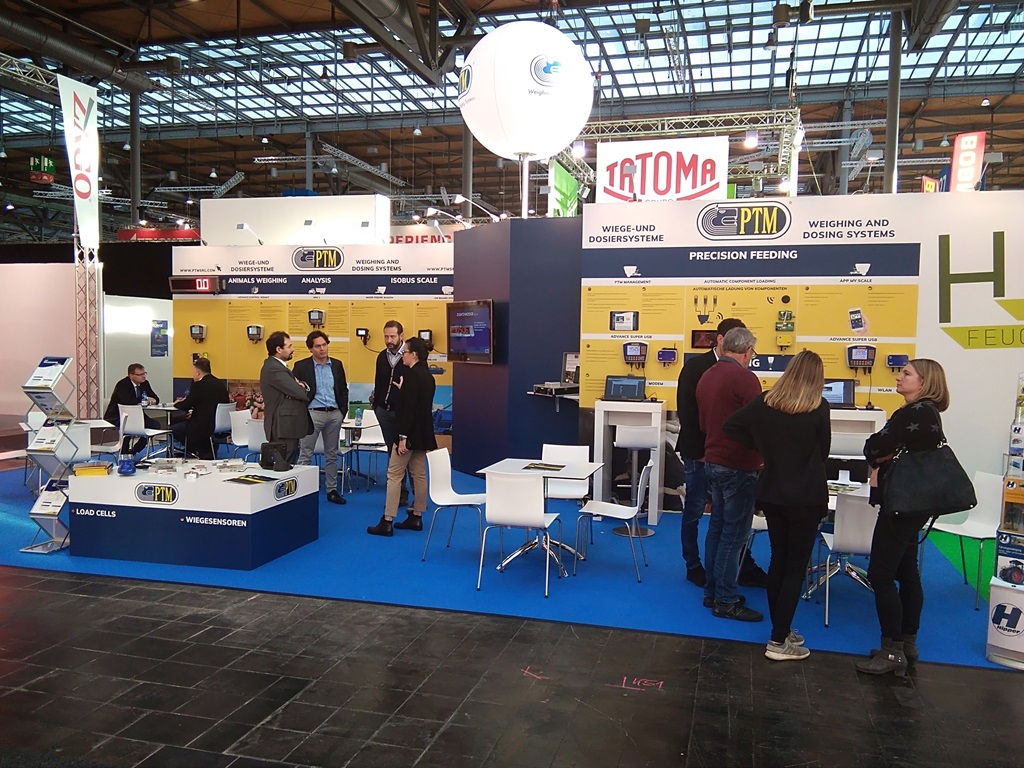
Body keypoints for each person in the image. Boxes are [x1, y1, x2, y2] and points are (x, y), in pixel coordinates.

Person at [724, 350, 830, 661]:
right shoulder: (819, 407)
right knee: (795, 568)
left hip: (773, 493)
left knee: (779, 563)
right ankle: (778, 639)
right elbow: (823, 452)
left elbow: (731, 426)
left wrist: (764, 447)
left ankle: (780, 629)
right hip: (806, 496)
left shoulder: (766, 402)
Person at [855, 358, 951, 676]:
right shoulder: (929, 413)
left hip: (901, 504)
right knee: (907, 571)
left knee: (881, 574)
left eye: (907, 373)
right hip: (916, 504)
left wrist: (878, 453)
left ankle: (892, 651)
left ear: (924, 382)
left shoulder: (913, 413)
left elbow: (874, 447)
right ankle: (907, 645)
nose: (899, 377)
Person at [676, 318, 767, 589]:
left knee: (725, 520)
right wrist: (703, 452)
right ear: (720, 339)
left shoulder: (728, 372)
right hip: (701, 454)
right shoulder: (697, 368)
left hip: (723, 456)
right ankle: (694, 565)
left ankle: (738, 567)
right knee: (697, 512)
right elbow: (688, 415)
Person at [696, 326, 764, 622]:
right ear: (747, 351)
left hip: (713, 459)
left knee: (717, 528)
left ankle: (712, 591)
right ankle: (725, 599)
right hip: (739, 464)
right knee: (734, 535)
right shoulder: (746, 379)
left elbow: (703, 423)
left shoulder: (707, 375)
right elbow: (758, 424)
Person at [367, 336, 437, 537]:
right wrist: (402, 391)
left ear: (413, 354)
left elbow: (408, 410)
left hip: (409, 434)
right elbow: (420, 405)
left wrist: (402, 437)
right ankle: (417, 516)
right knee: (419, 474)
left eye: (405, 352)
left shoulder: (411, 376)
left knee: (394, 474)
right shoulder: (428, 376)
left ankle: (387, 519)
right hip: (423, 433)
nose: (402, 356)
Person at [294, 331, 349, 505]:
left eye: (324, 345)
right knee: (306, 453)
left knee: (332, 453)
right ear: (310, 349)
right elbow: (295, 392)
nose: (322, 349)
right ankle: (301, 492)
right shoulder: (301, 366)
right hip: (312, 413)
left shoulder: (337, 365)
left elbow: (343, 389)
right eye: (317, 346)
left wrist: (342, 411)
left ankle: (332, 490)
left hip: (334, 413)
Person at [371, 319, 413, 508]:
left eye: (393, 336)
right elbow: (378, 382)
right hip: (384, 412)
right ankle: (400, 493)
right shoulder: (382, 357)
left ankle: (417, 497)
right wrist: (377, 406)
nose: (389, 340)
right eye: (386, 336)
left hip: (403, 414)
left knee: (408, 452)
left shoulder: (410, 357)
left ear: (401, 336)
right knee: (393, 452)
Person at [259, 331, 313, 464]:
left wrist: (301, 385)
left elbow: (297, 388)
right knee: (283, 465)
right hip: (282, 427)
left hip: (287, 426)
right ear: (279, 349)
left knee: (289, 464)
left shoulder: (279, 367)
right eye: (289, 346)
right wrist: (301, 386)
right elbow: (299, 392)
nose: (293, 349)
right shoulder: (274, 368)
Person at [170, 358, 231, 459]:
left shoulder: (199, 385)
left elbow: (187, 404)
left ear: (198, 373)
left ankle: (193, 450)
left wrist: (177, 404)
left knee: (174, 429)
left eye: (193, 372)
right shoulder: (220, 384)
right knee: (181, 420)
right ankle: (206, 449)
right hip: (219, 422)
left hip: (203, 424)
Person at [104, 363, 161, 455]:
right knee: (128, 428)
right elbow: (126, 401)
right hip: (119, 415)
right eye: (140, 374)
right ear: (131, 375)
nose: (143, 376)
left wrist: (154, 400)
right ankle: (124, 453)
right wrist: (144, 399)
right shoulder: (122, 384)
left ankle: (135, 450)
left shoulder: (145, 384)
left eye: (144, 373)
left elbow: (156, 398)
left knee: (155, 425)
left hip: (137, 415)